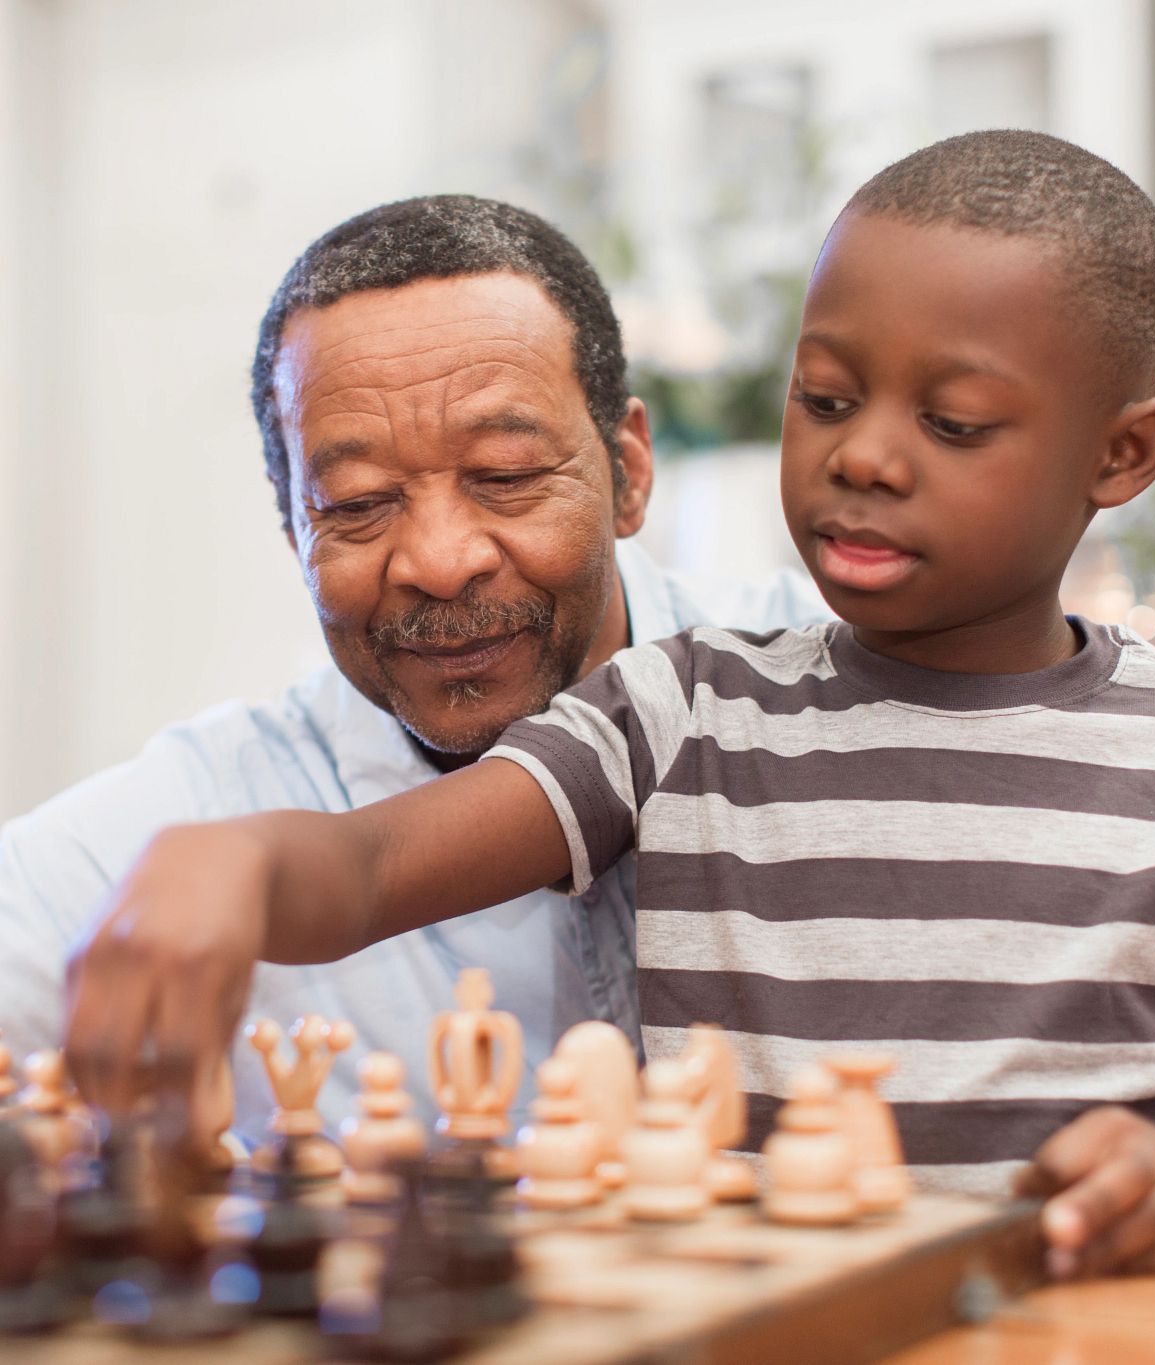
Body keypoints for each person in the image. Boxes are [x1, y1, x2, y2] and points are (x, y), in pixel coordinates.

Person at [68, 130, 1155, 1279]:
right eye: (824, 400)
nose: (864, 460)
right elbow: (371, 869)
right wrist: (236, 868)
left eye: (951, 424)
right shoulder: (683, 706)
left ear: (1122, 456)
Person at [0, 195, 828, 1142]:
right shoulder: (192, 828)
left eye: (506, 475)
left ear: (629, 470)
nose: (439, 561)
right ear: (293, 531)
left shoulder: (824, 687)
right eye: (356, 504)